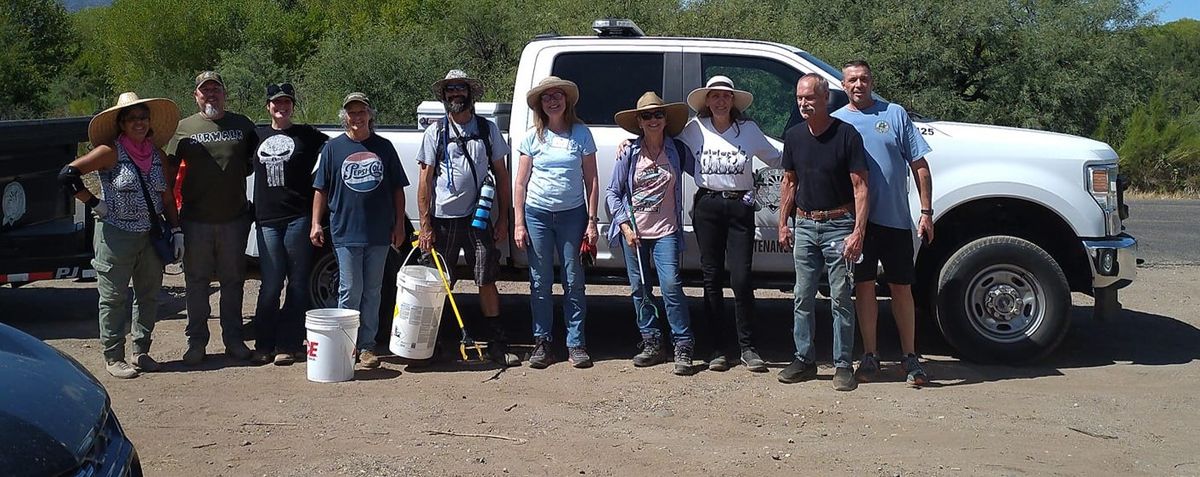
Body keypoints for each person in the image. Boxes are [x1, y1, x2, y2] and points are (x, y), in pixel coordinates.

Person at [58, 93, 183, 378]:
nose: (139, 123)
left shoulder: (157, 155)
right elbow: (67, 175)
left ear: (149, 122)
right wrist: (95, 203)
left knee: (149, 294)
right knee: (113, 296)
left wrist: (176, 230)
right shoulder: (109, 152)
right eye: (132, 119)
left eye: (143, 118)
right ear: (122, 124)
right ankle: (114, 356)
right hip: (115, 235)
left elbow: (166, 197)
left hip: (150, 234)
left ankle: (141, 351)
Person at [832, 60, 934, 386]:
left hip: (895, 221)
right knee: (862, 287)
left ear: (871, 81)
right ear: (843, 85)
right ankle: (870, 355)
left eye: (863, 79)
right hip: (857, 224)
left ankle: (910, 357)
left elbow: (919, 165)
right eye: (852, 80)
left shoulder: (894, 114)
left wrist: (926, 212)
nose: (858, 85)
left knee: (901, 287)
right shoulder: (836, 122)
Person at [415, 70, 519, 366]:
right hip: (443, 219)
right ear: (444, 96)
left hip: (479, 216)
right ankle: (433, 344)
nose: (454, 94)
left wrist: (503, 220)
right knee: (439, 282)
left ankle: (497, 343)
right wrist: (425, 226)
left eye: (460, 89)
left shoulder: (487, 130)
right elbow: (425, 180)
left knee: (486, 278)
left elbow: (502, 174)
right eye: (449, 90)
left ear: (470, 93)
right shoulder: (435, 132)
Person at [678, 75, 781, 372]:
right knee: (711, 279)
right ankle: (717, 348)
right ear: (707, 101)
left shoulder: (747, 130)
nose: (720, 101)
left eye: (726, 96)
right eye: (715, 96)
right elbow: (664, 146)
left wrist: (807, 154)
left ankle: (748, 347)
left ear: (733, 101)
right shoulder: (694, 129)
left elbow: (775, 158)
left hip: (740, 207)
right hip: (707, 205)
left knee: (741, 278)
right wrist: (630, 146)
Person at [776, 74, 869, 391]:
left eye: (809, 98)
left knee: (841, 298)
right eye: (800, 98)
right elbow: (789, 182)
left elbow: (861, 186)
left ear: (825, 99)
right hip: (804, 225)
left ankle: (843, 365)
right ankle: (804, 359)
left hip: (839, 225)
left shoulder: (846, 135)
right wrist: (782, 223)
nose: (803, 103)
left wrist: (858, 231)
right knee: (802, 296)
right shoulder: (794, 136)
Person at [165, 71, 258, 365]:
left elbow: (253, 163)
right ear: (196, 96)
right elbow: (167, 175)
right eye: (205, 91)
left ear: (224, 94)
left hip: (234, 220)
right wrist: (172, 221)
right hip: (195, 221)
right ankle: (196, 342)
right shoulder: (182, 129)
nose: (211, 95)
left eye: (216, 90)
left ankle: (234, 339)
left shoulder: (242, 125)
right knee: (197, 283)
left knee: (233, 282)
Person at [311, 92, 409, 369]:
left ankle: (367, 346)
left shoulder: (384, 147)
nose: (357, 117)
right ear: (345, 117)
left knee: (373, 291)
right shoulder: (333, 149)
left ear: (370, 115)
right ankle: (346, 346)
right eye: (352, 113)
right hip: (345, 230)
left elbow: (397, 190)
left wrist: (399, 224)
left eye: (361, 112)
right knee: (349, 289)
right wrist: (316, 223)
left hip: (378, 232)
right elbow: (320, 188)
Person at [605, 91, 696, 376]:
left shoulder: (677, 151)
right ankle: (651, 341)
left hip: (666, 231)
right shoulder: (629, 152)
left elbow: (705, 173)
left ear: (666, 119)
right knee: (640, 289)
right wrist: (624, 226)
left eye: (658, 114)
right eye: (647, 115)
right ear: (639, 122)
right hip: (635, 233)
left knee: (670, 285)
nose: (653, 119)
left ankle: (683, 343)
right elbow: (613, 193)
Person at [513, 76, 600, 369]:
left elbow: (592, 180)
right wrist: (519, 222)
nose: (553, 100)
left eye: (557, 95)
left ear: (567, 101)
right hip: (537, 214)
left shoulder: (581, 134)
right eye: (547, 97)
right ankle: (542, 342)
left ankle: (576, 343)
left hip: (572, 216)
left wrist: (591, 221)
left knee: (574, 281)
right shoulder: (531, 137)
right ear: (540, 104)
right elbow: (521, 184)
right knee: (540, 282)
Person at [250, 82, 329, 366]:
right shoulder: (255, 135)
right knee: (271, 283)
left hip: (299, 217)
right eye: (275, 103)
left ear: (293, 106)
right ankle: (263, 343)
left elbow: (334, 148)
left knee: (297, 284)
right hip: (267, 220)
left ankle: (290, 343)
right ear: (268, 106)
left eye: (286, 103)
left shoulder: (307, 135)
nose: (281, 107)